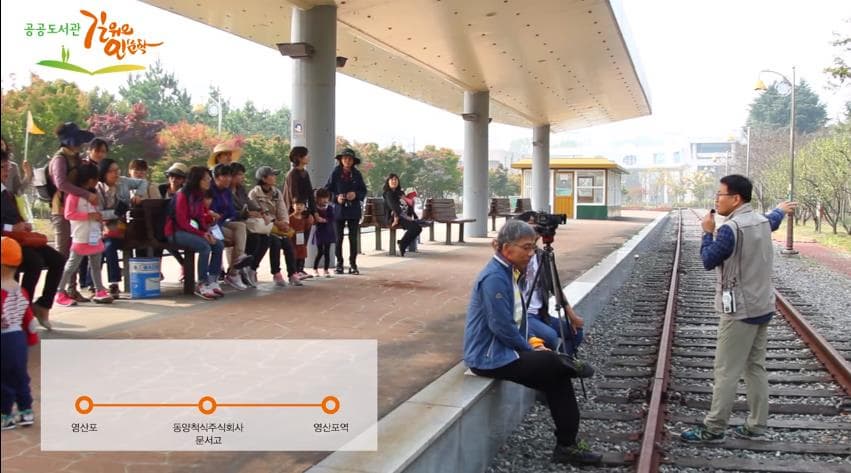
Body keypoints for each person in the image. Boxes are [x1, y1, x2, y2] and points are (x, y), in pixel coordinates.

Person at [463, 220, 602, 466]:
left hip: (504, 351)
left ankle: (567, 445)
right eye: (526, 247)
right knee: (551, 362)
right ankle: (568, 363)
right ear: (507, 249)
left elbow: (517, 320)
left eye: (533, 247)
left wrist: (532, 342)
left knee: (557, 377)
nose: (531, 253)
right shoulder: (494, 278)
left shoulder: (510, 272)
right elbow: (501, 327)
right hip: (489, 357)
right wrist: (530, 348)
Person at [681, 175, 796, 443]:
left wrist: (706, 231)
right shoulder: (763, 221)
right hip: (763, 305)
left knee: (725, 371)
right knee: (755, 367)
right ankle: (757, 425)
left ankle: (714, 428)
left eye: (719, 195)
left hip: (740, 311)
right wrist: (780, 208)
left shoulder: (729, 229)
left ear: (736, 199)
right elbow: (774, 218)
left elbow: (709, 260)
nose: (715, 200)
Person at [1, 151, 62, 330]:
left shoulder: (6, 193)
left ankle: (42, 305)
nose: (6, 171)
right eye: (2, 168)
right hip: (6, 241)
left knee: (57, 259)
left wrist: (23, 225)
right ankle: (22, 312)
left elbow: (15, 216)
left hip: (19, 239)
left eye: (7, 167)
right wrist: (12, 228)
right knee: (34, 262)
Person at [515, 211, 585, 353]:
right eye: (530, 227)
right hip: (522, 314)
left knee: (576, 332)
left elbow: (556, 288)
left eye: (537, 227)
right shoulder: (515, 256)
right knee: (551, 337)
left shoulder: (542, 256)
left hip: (541, 314)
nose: (535, 231)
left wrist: (572, 316)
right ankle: (552, 364)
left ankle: (563, 364)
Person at [48, 123, 98, 303]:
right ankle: (58, 292)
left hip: (77, 208)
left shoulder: (77, 158)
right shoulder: (60, 159)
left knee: (75, 250)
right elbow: (61, 184)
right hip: (61, 209)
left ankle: (72, 289)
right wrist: (86, 194)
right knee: (62, 253)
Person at [54, 162, 113, 306]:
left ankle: (99, 290)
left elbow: (97, 212)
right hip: (80, 236)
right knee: (71, 265)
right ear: (90, 179)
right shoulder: (73, 196)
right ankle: (60, 291)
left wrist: (99, 221)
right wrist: (88, 216)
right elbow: (68, 214)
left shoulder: (94, 195)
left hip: (94, 236)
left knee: (96, 264)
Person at [164, 166, 224, 301]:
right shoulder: (183, 195)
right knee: (205, 247)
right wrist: (202, 234)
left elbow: (200, 218)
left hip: (191, 231)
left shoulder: (199, 195)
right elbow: (182, 222)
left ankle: (213, 280)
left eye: (210, 178)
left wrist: (207, 232)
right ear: (197, 180)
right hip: (175, 232)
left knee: (218, 244)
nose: (209, 181)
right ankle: (202, 283)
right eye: (206, 179)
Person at [1, 237, 40, 430]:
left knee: (4, 379)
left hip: (4, 339)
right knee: (20, 376)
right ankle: (26, 411)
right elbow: (30, 320)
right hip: (19, 339)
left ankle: (6, 414)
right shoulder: (21, 291)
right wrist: (31, 339)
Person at [95, 158, 147, 297]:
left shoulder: (123, 181)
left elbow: (143, 182)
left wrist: (138, 194)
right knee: (108, 246)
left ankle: (108, 283)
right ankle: (113, 283)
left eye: (117, 170)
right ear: (104, 173)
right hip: (105, 229)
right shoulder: (97, 189)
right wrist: (116, 212)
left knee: (109, 246)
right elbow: (98, 213)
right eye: (112, 171)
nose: (116, 173)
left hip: (124, 228)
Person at [249, 166, 301, 287]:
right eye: (271, 175)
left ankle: (292, 274)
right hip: (264, 226)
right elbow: (259, 212)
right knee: (275, 242)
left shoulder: (276, 192)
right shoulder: (254, 193)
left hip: (278, 225)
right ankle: (276, 273)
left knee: (288, 243)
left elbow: (282, 209)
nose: (274, 178)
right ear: (263, 178)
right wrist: (276, 222)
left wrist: (285, 223)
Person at [210, 163, 253, 290]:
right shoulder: (210, 191)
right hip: (212, 225)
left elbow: (231, 212)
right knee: (237, 237)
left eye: (230, 176)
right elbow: (210, 212)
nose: (228, 179)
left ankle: (238, 261)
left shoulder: (226, 191)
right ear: (216, 177)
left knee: (240, 226)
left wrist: (240, 214)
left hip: (224, 222)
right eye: (225, 176)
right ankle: (234, 273)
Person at [325, 148, 367, 275]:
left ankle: (353, 264)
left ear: (353, 161)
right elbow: (327, 190)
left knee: (353, 238)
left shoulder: (357, 174)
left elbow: (363, 191)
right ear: (341, 160)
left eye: (349, 159)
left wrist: (355, 195)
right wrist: (336, 198)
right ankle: (339, 264)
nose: (347, 161)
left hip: (353, 209)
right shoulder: (335, 173)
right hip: (339, 210)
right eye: (345, 158)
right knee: (339, 238)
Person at [229, 162, 268, 288]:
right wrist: (247, 213)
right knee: (254, 237)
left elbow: (248, 202)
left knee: (267, 239)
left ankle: (249, 267)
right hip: (233, 221)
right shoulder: (225, 191)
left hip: (245, 221)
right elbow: (228, 211)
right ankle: (239, 268)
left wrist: (260, 211)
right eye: (239, 175)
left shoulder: (240, 189)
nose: (242, 177)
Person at [382, 173, 422, 257]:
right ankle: (403, 245)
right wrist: (403, 217)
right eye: (392, 179)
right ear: (388, 182)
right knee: (415, 227)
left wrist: (413, 215)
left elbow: (408, 204)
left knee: (417, 228)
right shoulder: (388, 193)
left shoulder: (400, 193)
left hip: (402, 217)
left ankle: (402, 243)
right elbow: (394, 206)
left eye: (396, 179)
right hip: (393, 218)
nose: (394, 181)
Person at [312, 188, 336, 278]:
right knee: (320, 251)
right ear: (317, 199)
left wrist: (324, 220)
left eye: (327, 198)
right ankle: (315, 269)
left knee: (327, 251)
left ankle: (326, 270)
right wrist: (317, 219)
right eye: (322, 198)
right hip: (319, 232)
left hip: (328, 231)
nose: (325, 200)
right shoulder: (315, 209)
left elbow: (332, 218)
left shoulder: (329, 207)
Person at [289, 198, 311, 278]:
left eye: (301, 205)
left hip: (301, 240)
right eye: (297, 204)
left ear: (305, 207)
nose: (299, 207)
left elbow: (307, 227)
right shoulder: (290, 218)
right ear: (293, 206)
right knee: (294, 255)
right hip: (293, 240)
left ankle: (300, 270)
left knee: (302, 254)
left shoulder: (305, 218)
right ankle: (295, 272)